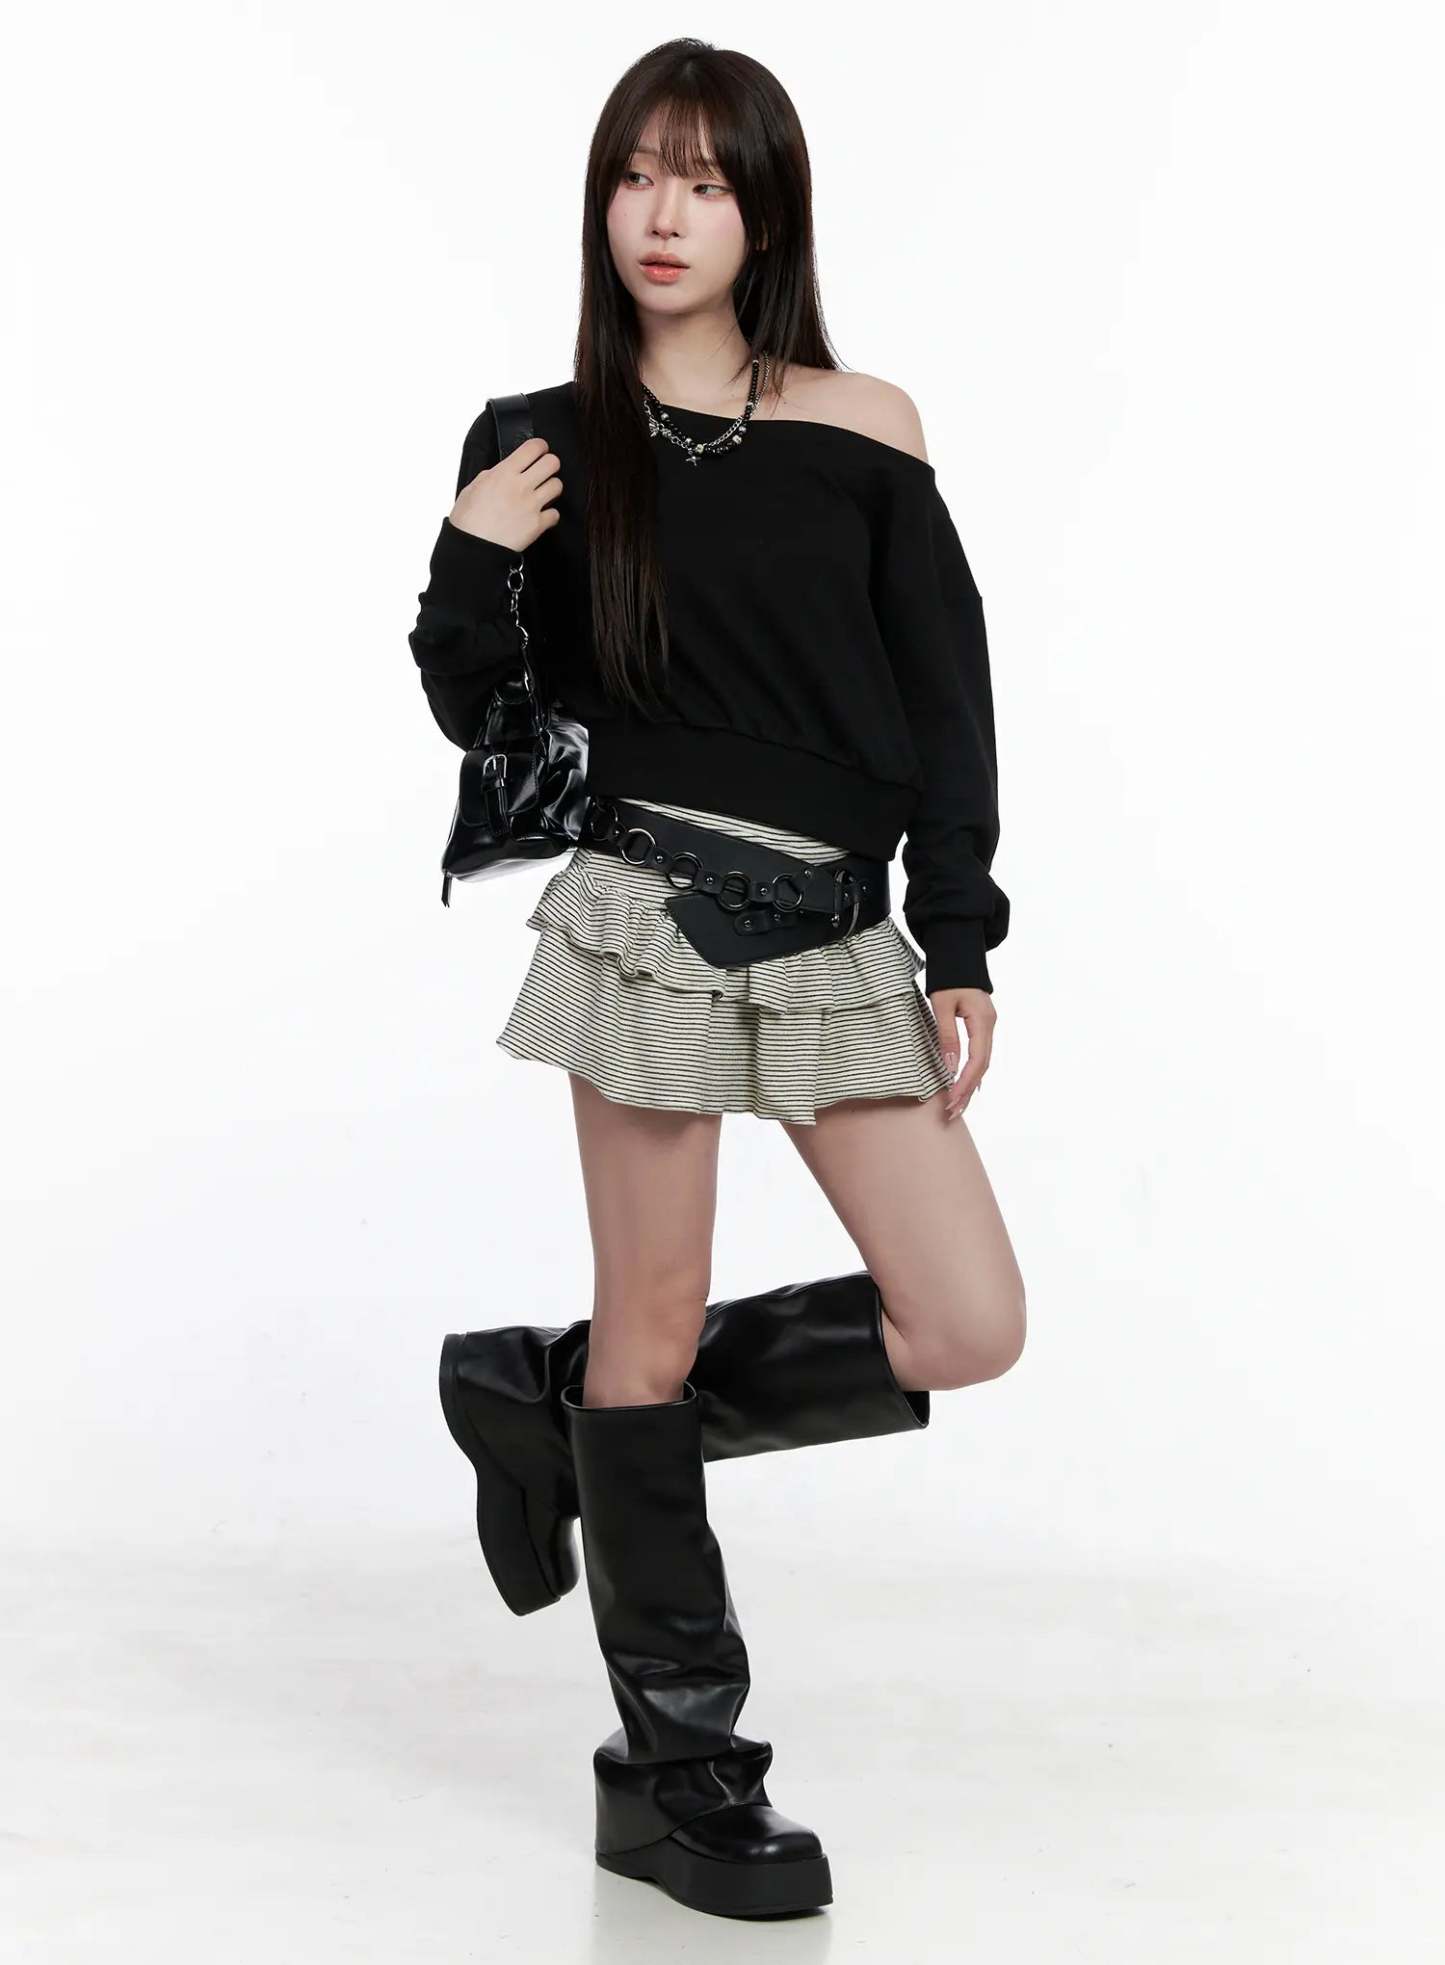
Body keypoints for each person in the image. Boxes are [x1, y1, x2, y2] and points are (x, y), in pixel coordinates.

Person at [407, 37, 1027, 1922]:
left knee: (964, 1319)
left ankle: (547, 1408)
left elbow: (944, 696)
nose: (660, 214)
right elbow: (491, 720)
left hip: (838, 928)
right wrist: (467, 561)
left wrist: (959, 931)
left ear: (765, 208)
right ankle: (680, 1776)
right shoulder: (537, 437)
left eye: (701, 178)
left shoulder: (865, 423)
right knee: (654, 1330)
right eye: (633, 174)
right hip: (648, 907)